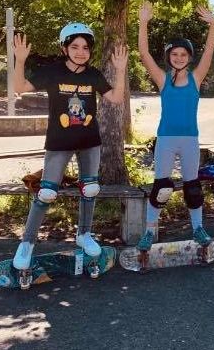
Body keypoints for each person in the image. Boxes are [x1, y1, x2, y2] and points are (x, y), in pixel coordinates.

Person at [11, 24, 127, 272]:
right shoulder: (52, 72)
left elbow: (116, 98)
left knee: (90, 189)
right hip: (59, 141)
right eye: (74, 47)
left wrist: (120, 70)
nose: (80, 52)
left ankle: (84, 234)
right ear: (64, 48)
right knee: (46, 193)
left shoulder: (93, 75)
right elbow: (19, 88)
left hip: (89, 140)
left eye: (85, 47)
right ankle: (27, 243)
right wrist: (19, 60)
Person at [135, 1, 214, 250]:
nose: (179, 58)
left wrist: (213, 25)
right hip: (166, 139)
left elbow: (209, 53)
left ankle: (198, 229)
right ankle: (149, 231)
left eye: (183, 54)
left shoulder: (196, 78)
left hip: (190, 139)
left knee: (192, 188)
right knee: (161, 187)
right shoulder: (163, 80)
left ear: (189, 58)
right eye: (174, 54)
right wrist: (143, 23)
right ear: (169, 58)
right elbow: (144, 54)